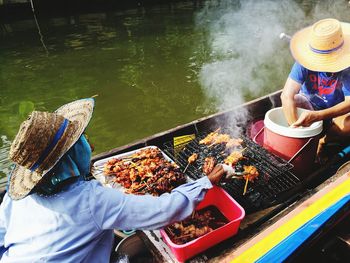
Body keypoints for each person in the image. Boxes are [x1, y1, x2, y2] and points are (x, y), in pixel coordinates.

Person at [0, 98, 226, 262]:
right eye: (81, 139)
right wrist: (205, 182)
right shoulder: (92, 200)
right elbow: (164, 211)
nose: (89, 143)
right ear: (68, 156)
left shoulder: (14, 198)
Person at [280, 18, 350, 152]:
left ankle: (324, 141)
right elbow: (287, 95)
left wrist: (319, 116)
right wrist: (298, 131)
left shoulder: (348, 67)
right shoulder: (304, 62)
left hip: (336, 111)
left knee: (348, 125)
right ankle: (308, 142)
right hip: (309, 105)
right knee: (293, 101)